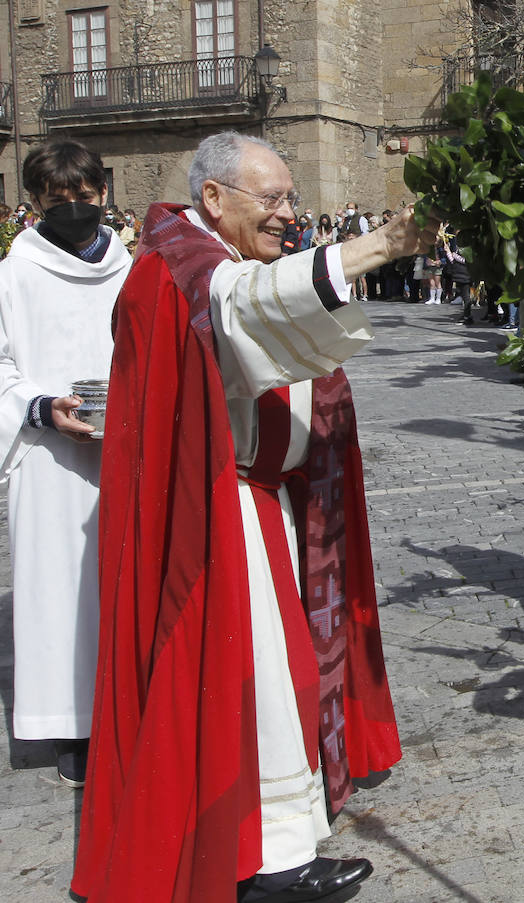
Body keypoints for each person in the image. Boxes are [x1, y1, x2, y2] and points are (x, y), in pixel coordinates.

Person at [72, 132, 435, 903]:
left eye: (289, 199)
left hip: (251, 503)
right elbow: (245, 309)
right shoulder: (178, 267)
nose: (286, 215)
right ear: (214, 198)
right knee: (261, 682)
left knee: (276, 677)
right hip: (215, 514)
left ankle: (273, 841)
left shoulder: (205, 257)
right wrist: (378, 246)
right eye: (270, 200)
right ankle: (267, 860)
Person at [0, 140, 132, 788]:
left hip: (123, 450)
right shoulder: (14, 272)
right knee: (61, 591)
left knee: (123, 582)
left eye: (84, 196)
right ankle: (72, 722)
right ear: (37, 203)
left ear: (102, 193)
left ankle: (127, 707)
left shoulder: (130, 266)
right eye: (59, 199)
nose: (75, 207)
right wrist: (42, 406)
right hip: (50, 457)